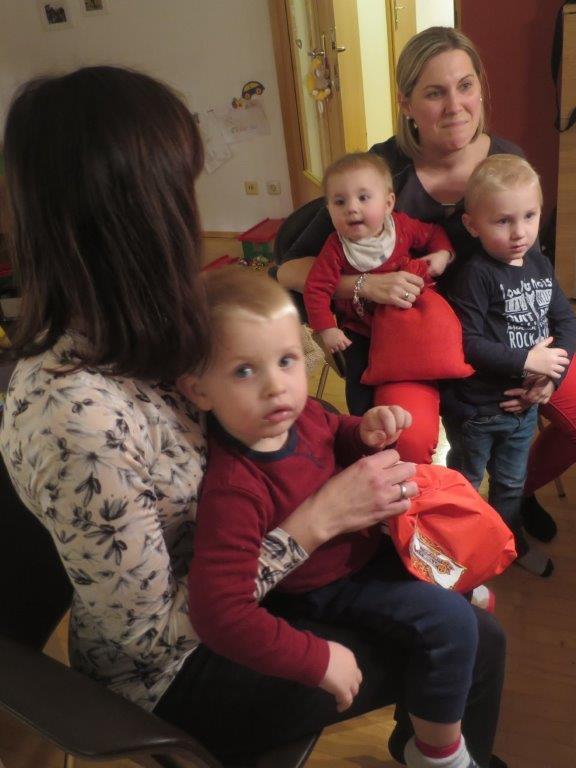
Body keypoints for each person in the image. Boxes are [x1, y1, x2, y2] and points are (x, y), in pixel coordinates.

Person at [0, 66, 507, 768]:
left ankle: (424, 748)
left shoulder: (150, 323)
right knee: (469, 642)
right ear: (132, 216)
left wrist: (347, 436)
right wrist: (318, 521)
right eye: (179, 193)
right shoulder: (73, 416)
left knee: (468, 624)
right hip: (185, 667)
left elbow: (277, 420)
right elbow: (150, 633)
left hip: (264, 577)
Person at [277, 24, 576, 552]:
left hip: (504, 342)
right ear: (406, 103)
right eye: (435, 92)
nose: (455, 106)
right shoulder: (379, 172)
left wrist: (547, 367)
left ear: (480, 86)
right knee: (408, 441)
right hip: (416, 348)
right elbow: (288, 269)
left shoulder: (506, 160)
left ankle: (511, 491)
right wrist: (368, 284)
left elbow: (534, 273)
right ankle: (434, 529)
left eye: (465, 85)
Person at [181, 266, 497, 768]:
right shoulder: (234, 487)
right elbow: (219, 613)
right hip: (329, 585)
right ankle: (438, 754)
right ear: (198, 390)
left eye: (286, 360)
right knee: (453, 625)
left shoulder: (299, 413)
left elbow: (333, 431)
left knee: (449, 539)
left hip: (365, 546)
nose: (275, 387)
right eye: (244, 371)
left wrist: (364, 431)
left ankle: (454, 586)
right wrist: (317, 657)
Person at [448, 154, 576, 577]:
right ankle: (461, 550)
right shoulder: (477, 274)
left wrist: (551, 380)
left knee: (510, 485)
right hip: (478, 412)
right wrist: (528, 359)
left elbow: (567, 321)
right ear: (472, 225)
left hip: (524, 411)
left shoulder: (539, 264)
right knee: (466, 482)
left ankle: (508, 543)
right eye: (503, 221)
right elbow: (468, 343)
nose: (520, 232)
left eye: (529, 216)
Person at [304, 152, 454, 416]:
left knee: (423, 369)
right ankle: (363, 423)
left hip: (405, 323)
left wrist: (442, 254)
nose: (352, 208)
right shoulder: (336, 247)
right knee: (358, 384)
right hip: (362, 329)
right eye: (339, 202)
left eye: (363, 198)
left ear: (388, 203)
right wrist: (327, 329)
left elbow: (433, 233)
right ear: (328, 210)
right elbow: (316, 288)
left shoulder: (401, 227)